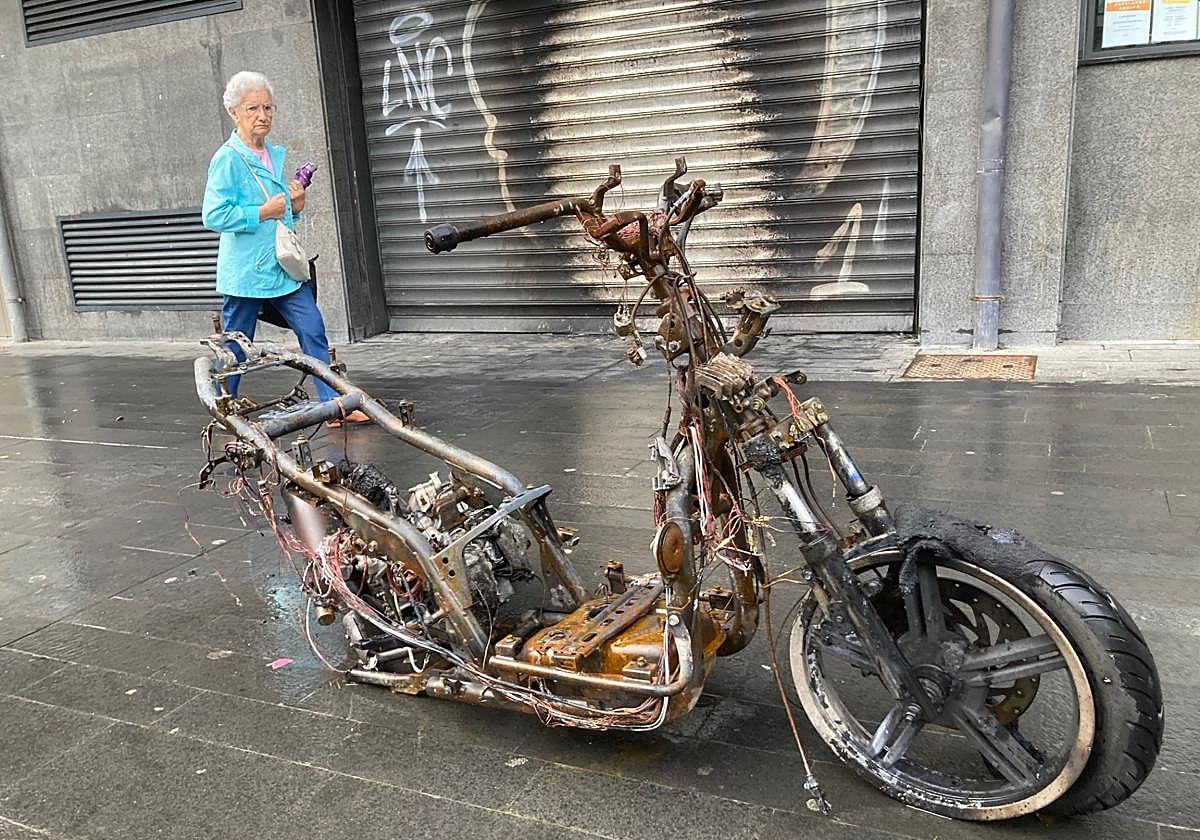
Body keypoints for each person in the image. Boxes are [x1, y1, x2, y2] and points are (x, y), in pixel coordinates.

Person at [202, 70, 368, 427]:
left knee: (312, 327)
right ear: (234, 112)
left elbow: (284, 212)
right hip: (246, 272)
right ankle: (225, 411)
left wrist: (297, 203)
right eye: (252, 109)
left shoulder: (271, 154)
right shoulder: (228, 159)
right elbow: (213, 215)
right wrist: (264, 211)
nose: (263, 115)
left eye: (267, 107)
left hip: (282, 267)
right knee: (236, 347)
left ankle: (333, 404)